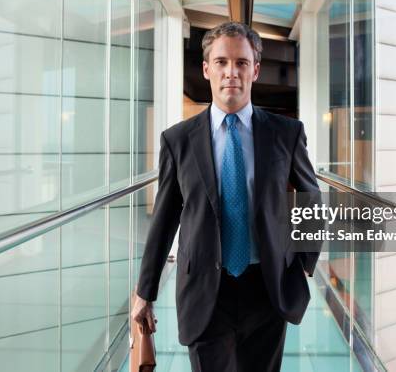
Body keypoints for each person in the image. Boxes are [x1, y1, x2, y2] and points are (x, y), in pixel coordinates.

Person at [131, 22, 321, 372]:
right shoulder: (178, 140)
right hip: (205, 293)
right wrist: (145, 291)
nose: (231, 72)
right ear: (206, 69)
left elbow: (311, 197)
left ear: (255, 69)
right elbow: (164, 219)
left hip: (267, 289)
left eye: (241, 63)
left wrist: (305, 263)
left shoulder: (286, 133)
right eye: (221, 62)